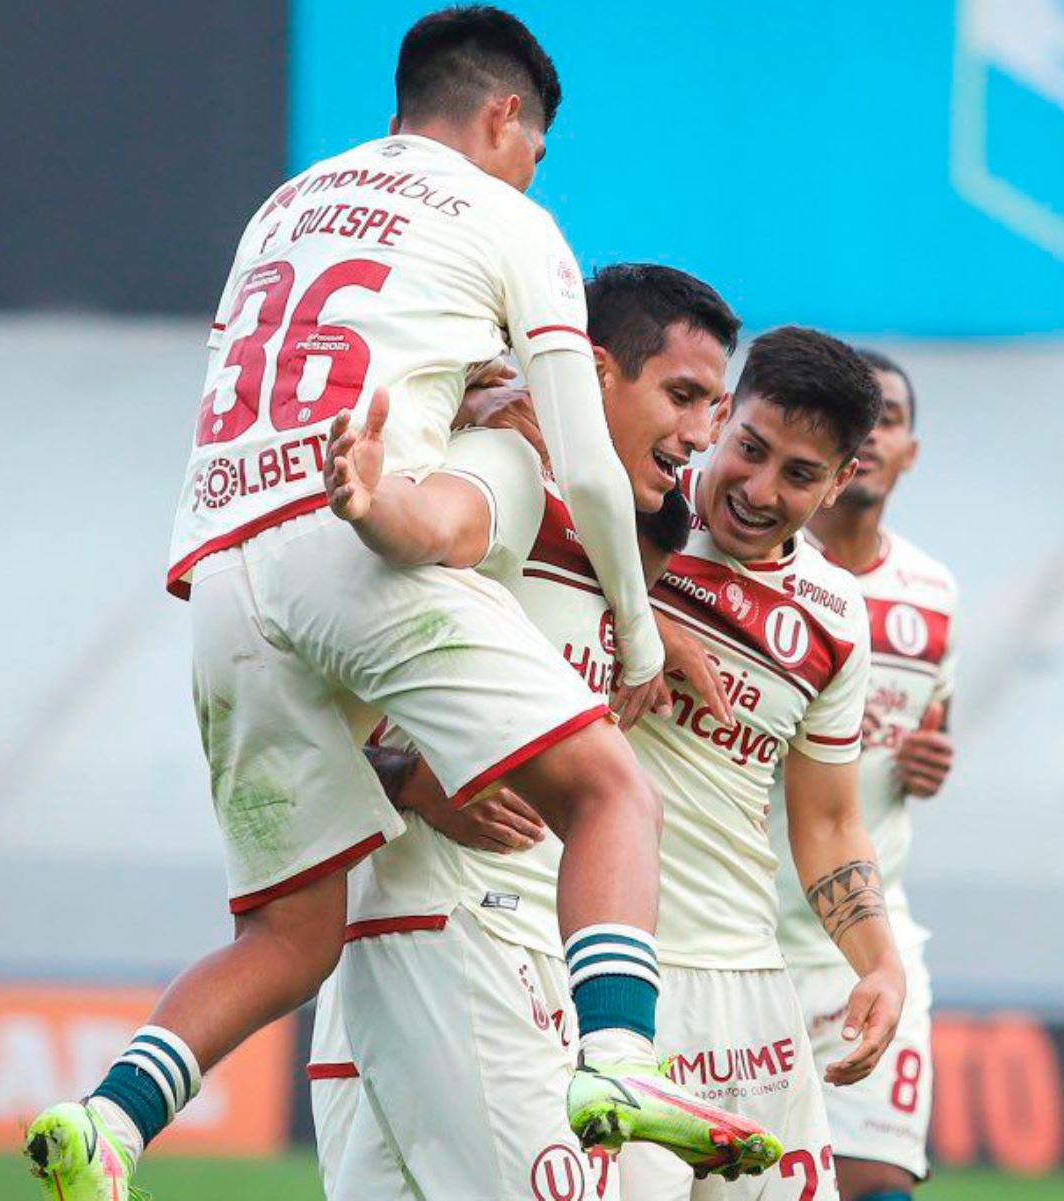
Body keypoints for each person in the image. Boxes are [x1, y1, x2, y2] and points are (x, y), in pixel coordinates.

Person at [24, 12, 719, 1196]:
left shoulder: (280, 208)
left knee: (288, 939)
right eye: (533, 149)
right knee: (609, 790)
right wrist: (639, 637)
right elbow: (592, 471)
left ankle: (111, 1122)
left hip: (223, 576)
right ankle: (615, 1063)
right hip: (353, 541)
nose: (530, 171)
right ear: (506, 118)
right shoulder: (509, 219)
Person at [310, 263, 777, 1197]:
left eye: (713, 405)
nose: (699, 432)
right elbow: (440, 521)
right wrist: (378, 507)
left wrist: (650, 623)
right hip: (464, 936)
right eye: (681, 396)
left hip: (441, 945)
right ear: (594, 375)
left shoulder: (610, 543)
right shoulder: (511, 466)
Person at [616, 328, 906, 1201]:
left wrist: (880, 963)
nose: (759, 489)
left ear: (842, 479)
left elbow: (826, 820)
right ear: (722, 415)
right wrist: (640, 618)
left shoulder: (837, 614)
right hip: (617, 968)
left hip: (753, 989)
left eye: (799, 474)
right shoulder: (624, 513)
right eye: (750, 449)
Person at [769, 349, 959, 1201]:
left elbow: (925, 733)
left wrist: (929, 763)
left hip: (866, 936)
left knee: (876, 1178)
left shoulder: (933, 592)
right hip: (745, 932)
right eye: (864, 418)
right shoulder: (760, 566)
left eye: (892, 418)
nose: (877, 434)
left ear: (910, 451)